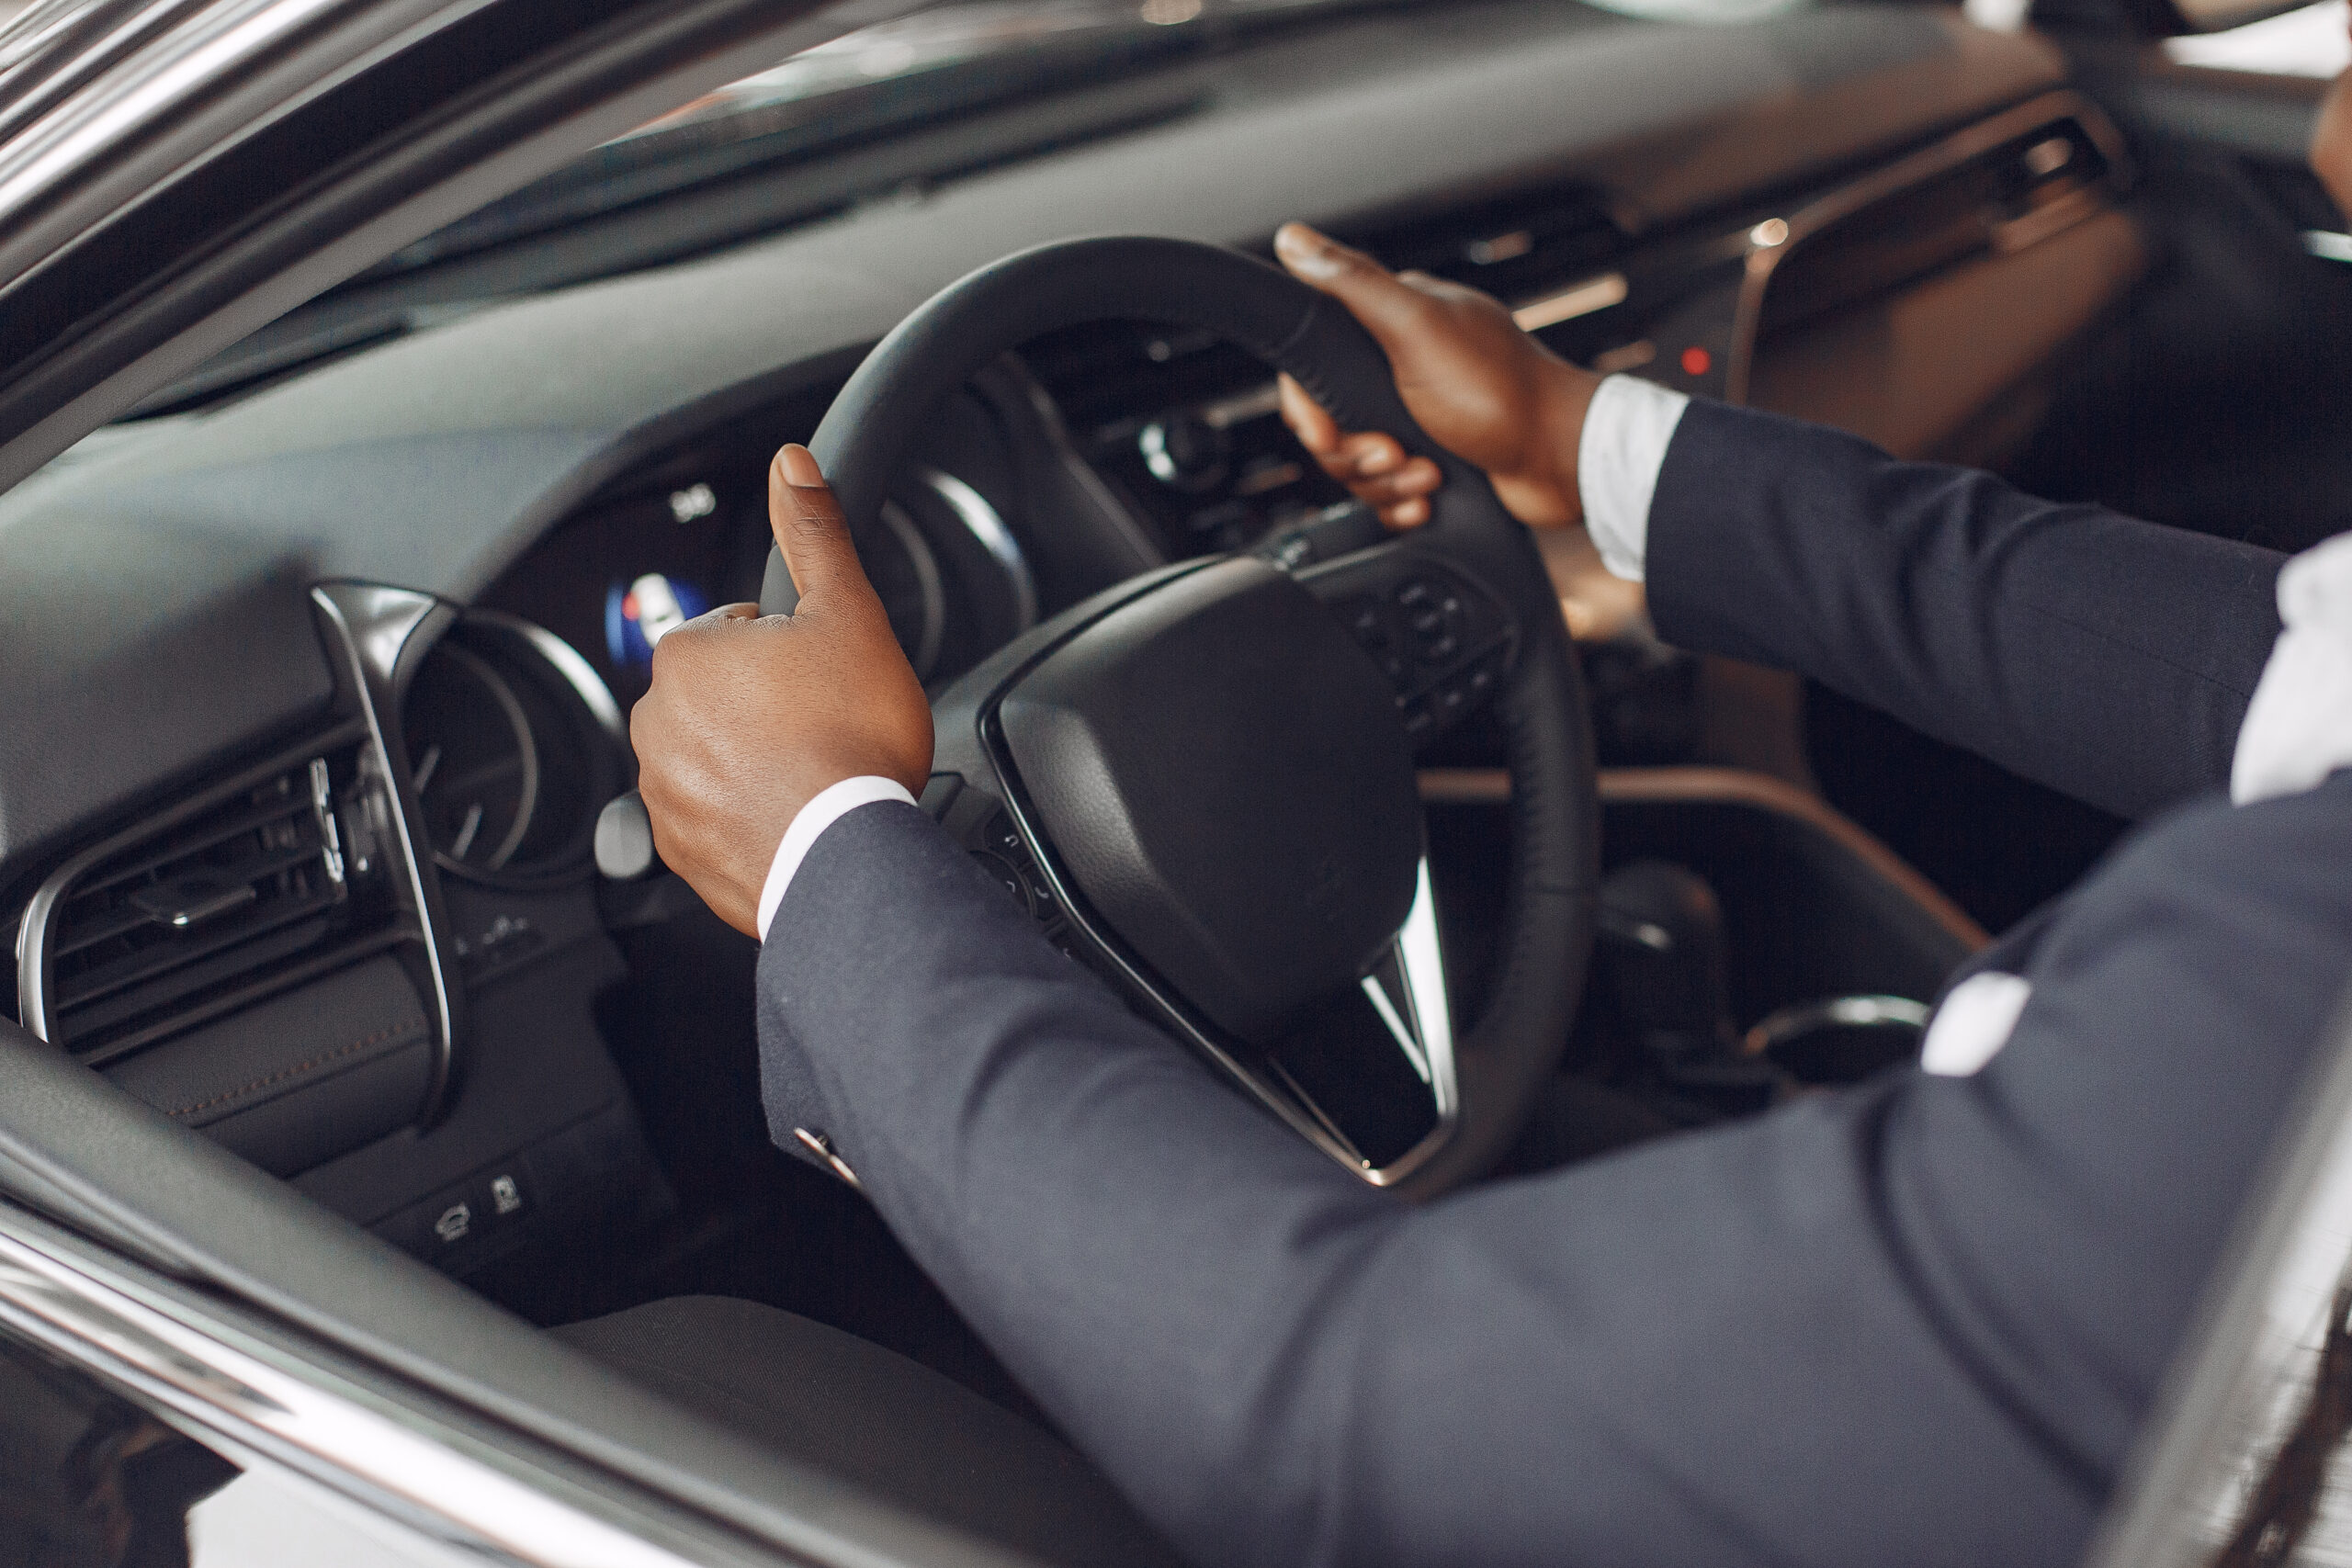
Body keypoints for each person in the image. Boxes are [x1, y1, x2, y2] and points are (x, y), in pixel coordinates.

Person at [623, 53, 2352, 1568]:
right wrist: (1581, 438)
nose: (2337, 136)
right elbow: (2269, 665)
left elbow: (1353, 1432)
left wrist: (830, 852)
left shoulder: (2286, 1024)